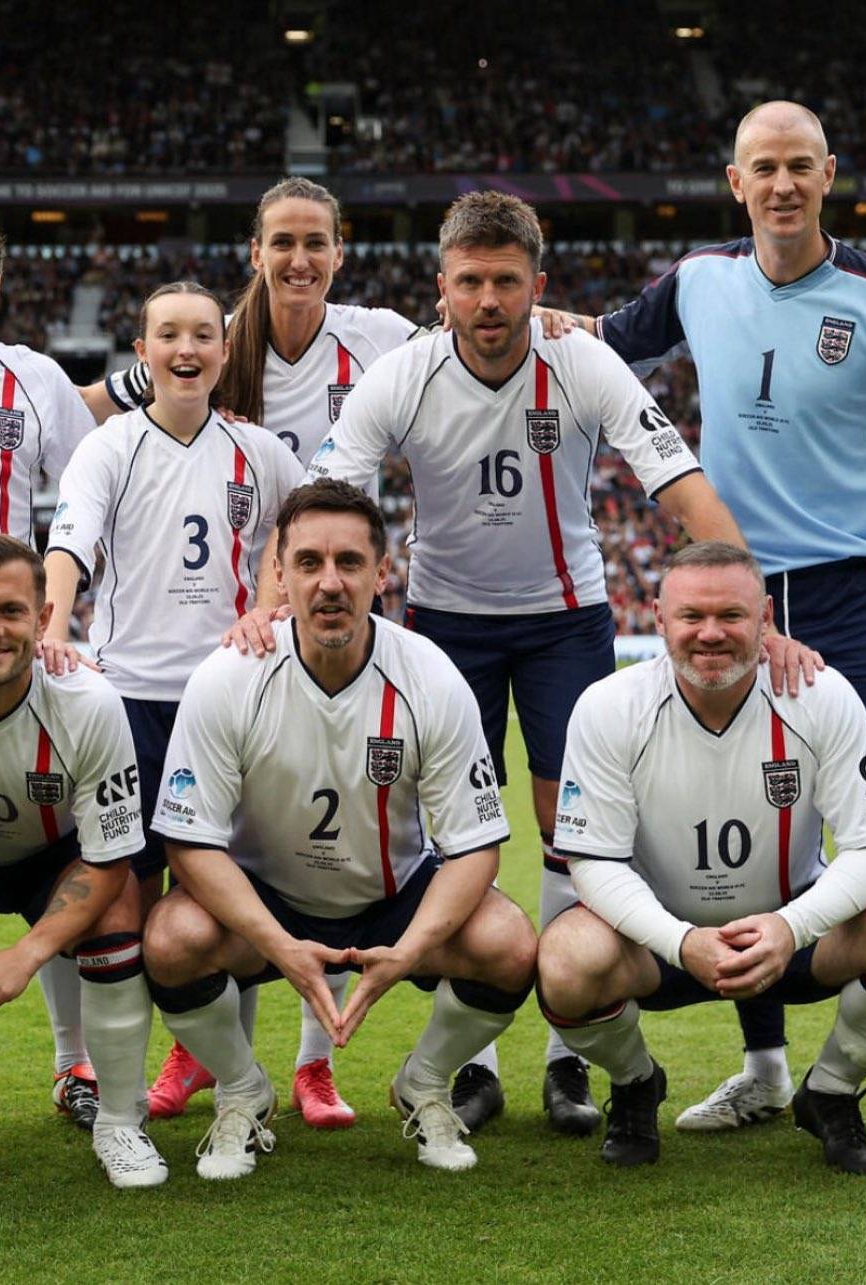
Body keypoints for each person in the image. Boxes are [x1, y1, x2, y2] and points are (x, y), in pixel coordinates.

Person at [542, 100, 866, 1147]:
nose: (781, 184)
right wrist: (521, 313)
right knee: (742, 827)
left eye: (799, 166)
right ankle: (766, 1070)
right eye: (762, 167)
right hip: (733, 589)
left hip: (846, 592)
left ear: (830, 174)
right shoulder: (697, 280)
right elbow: (600, 344)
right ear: (734, 182)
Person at [290, 190, 747, 1135]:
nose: (489, 300)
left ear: (539, 285)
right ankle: (476, 1062)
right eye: (470, 282)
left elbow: (680, 483)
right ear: (442, 288)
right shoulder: (406, 373)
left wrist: (753, 604)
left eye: (506, 281)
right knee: (457, 834)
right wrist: (269, 610)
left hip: (563, 621)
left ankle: (566, 1058)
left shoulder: (582, 362)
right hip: (443, 626)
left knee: (573, 825)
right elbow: (323, 497)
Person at [81, 177, 420, 1132]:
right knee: (208, 863)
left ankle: (316, 1064)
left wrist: (563, 323)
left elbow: (477, 332)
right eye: (282, 243)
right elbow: (100, 401)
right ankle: (201, 1051)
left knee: (325, 849)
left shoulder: (382, 337)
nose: (299, 260)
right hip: (249, 640)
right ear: (257, 252)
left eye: (316, 242)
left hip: (336, 614)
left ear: (340, 250)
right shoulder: (216, 340)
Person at [142, 479, 536, 1178]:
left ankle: (424, 1081)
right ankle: (242, 1088)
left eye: (350, 562)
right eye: (309, 563)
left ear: (381, 574)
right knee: (173, 939)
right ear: (280, 575)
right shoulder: (229, 677)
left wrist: (409, 950)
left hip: (391, 898)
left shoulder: (429, 675)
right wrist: (281, 947)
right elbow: (190, 842)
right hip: (269, 901)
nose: (330, 583)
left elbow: (476, 847)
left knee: (508, 943)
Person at [536, 541, 866, 1172]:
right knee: (566, 960)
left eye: (731, 615)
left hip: (794, 935)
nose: (711, 633)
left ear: (765, 618)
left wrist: (790, 927)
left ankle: (830, 1089)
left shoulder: (821, 695)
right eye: (691, 616)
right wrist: (680, 942)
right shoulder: (610, 706)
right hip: (658, 942)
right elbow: (594, 863)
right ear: (658, 618)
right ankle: (636, 1081)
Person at [0, 531, 164, 1188]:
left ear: (44, 616)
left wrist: (27, 954)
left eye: (10, 611)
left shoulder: (88, 702)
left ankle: (120, 1120)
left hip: (54, 856)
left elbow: (109, 860)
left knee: (120, 909)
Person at [0, 202, 103, 1130]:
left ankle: (75, 1063)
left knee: (61, 839)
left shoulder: (33, 380)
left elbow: (89, 496)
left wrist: (62, 614)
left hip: (8, 648)